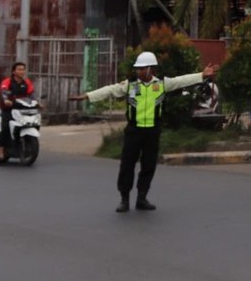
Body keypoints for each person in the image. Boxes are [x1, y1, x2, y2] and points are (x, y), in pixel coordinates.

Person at [70, 51, 217, 213]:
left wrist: (201, 75)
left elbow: (180, 81)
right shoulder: (130, 85)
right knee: (127, 165)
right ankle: (124, 199)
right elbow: (110, 90)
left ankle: (142, 198)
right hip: (134, 131)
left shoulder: (161, 84)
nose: (138, 71)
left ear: (150, 69)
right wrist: (88, 96)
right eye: (137, 69)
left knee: (148, 165)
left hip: (152, 132)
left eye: (142, 68)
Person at [0, 62, 36, 163]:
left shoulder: (27, 82)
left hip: (23, 109)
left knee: (33, 122)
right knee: (5, 127)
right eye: (19, 69)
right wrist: (6, 99)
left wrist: (37, 102)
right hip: (9, 109)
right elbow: (4, 91)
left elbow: (32, 94)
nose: (22, 71)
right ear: (14, 71)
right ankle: (1, 150)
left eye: (23, 69)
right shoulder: (7, 81)